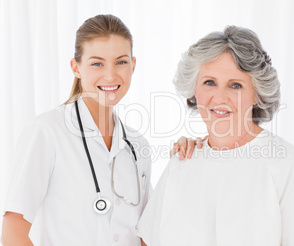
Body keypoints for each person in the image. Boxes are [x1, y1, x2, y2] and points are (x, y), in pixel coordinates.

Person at [136, 26, 294, 246]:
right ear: (193, 88)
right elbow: (147, 240)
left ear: (257, 93)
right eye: (209, 82)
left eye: (235, 85)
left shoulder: (285, 164)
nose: (220, 97)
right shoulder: (182, 161)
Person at [1, 14, 195, 246]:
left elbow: (145, 235)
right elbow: (13, 233)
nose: (111, 75)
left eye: (121, 62)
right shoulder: (46, 132)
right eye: (97, 63)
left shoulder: (137, 145)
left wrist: (184, 168)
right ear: (76, 68)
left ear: (133, 65)